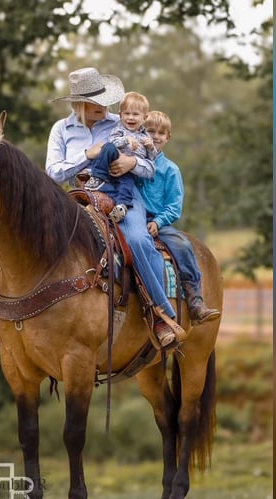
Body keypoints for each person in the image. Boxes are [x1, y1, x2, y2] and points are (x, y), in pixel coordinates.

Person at [44, 67, 185, 348]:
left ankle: (158, 314)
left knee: (137, 240)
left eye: (105, 100)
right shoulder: (61, 129)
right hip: (79, 193)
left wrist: (133, 163)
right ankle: (6, 316)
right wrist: (88, 154)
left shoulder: (121, 122)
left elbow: (150, 160)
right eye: (96, 101)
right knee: (35, 230)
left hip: (123, 193)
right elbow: (52, 173)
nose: (104, 106)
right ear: (79, 104)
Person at [140, 111, 221, 324]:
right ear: (141, 132)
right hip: (132, 219)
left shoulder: (170, 170)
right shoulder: (134, 164)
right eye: (150, 131)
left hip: (159, 221)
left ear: (168, 138)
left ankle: (195, 299)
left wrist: (158, 222)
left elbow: (175, 207)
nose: (155, 136)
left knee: (182, 245)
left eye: (161, 133)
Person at [81, 92, 158, 223]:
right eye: (127, 114)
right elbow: (113, 141)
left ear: (144, 118)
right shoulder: (119, 129)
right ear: (120, 115)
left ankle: (121, 206)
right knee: (107, 147)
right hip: (114, 158)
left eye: (135, 114)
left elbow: (151, 158)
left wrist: (151, 147)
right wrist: (126, 140)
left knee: (126, 185)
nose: (131, 118)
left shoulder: (146, 137)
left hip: (129, 170)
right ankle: (97, 177)